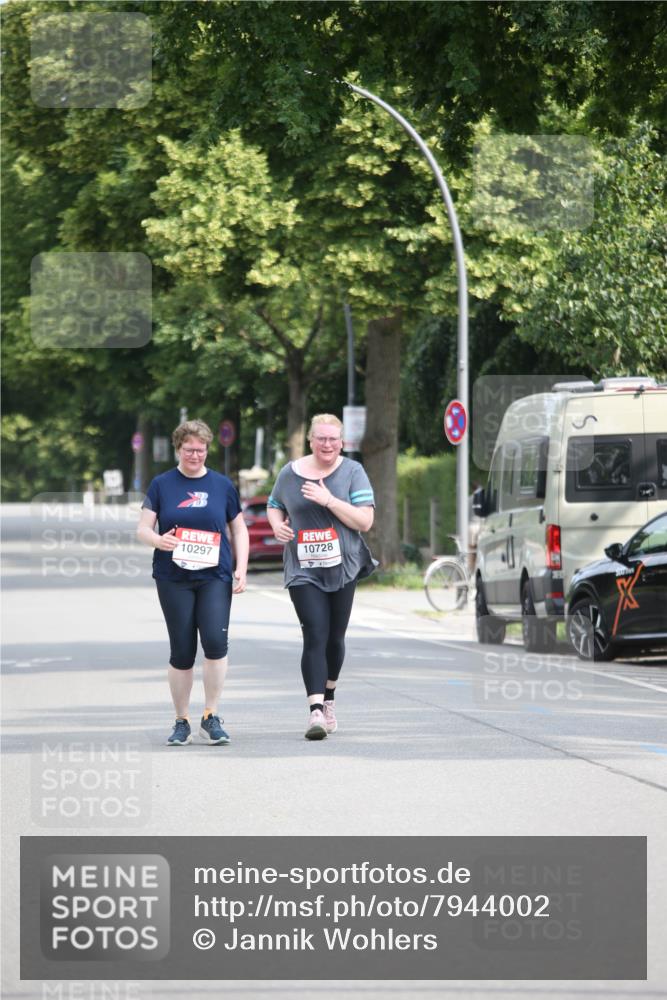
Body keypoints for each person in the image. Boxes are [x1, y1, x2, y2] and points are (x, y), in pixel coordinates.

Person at [137, 419, 249, 747]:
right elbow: (143, 528)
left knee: (215, 642)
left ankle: (210, 716)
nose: (195, 455)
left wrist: (242, 567)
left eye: (201, 450)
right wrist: (159, 541)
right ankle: (181, 720)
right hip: (174, 577)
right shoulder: (162, 484)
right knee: (182, 650)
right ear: (178, 449)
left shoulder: (222, 485)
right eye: (189, 450)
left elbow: (238, 528)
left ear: (207, 450)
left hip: (214, 576)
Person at [267, 414, 376, 740]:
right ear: (311, 441)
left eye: (333, 439)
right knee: (315, 632)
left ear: (341, 442)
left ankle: (329, 698)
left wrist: (329, 500)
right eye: (321, 438)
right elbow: (274, 504)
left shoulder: (353, 472)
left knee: (334, 638)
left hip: (343, 567)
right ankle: (315, 711)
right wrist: (277, 525)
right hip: (303, 568)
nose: (327, 444)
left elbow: (364, 521)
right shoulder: (290, 473)